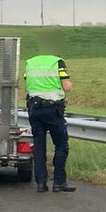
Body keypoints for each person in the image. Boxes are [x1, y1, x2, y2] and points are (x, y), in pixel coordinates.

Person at [23, 54, 75, 192]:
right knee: (61, 144)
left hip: (34, 109)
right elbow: (67, 87)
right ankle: (59, 182)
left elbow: (28, 84)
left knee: (39, 146)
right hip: (52, 110)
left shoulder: (30, 62)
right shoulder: (57, 62)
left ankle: (41, 183)